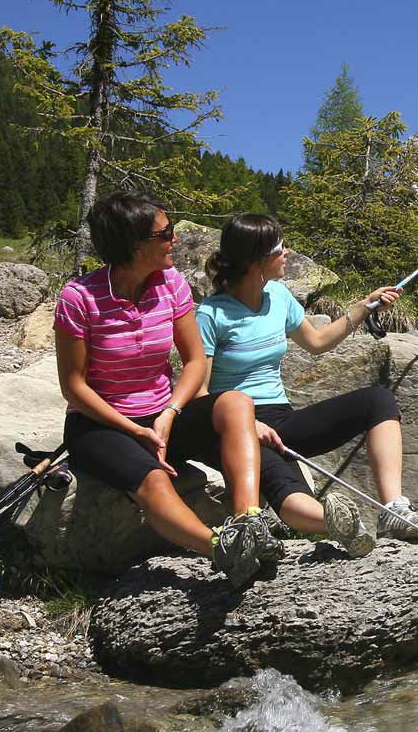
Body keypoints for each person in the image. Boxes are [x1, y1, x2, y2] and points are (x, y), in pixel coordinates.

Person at [52, 193, 370, 587]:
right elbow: (74, 386)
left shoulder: (170, 284)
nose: (175, 239)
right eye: (165, 233)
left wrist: (169, 413)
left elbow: (196, 363)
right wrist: (134, 430)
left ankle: (248, 522)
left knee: (236, 401)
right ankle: (220, 545)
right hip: (100, 423)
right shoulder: (79, 298)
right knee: (153, 479)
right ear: (136, 245)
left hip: (163, 414)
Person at [197, 213, 418, 541]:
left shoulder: (279, 297)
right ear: (257, 261)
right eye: (280, 248)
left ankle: (393, 510)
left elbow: (317, 342)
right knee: (285, 484)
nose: (287, 253)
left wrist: (365, 307)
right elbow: (199, 394)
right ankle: (347, 529)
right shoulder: (211, 315)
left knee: (378, 401)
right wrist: (247, 426)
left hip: (281, 418)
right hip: (236, 427)